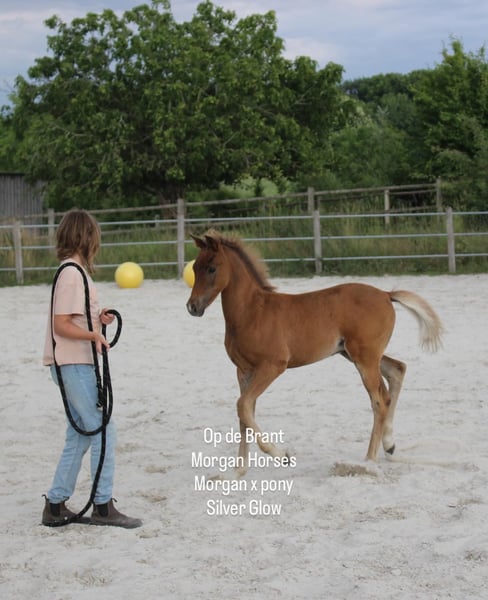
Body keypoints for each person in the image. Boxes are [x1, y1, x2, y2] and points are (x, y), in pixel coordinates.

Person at [42, 208, 142, 529]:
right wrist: (93, 335)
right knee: (102, 429)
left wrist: (98, 319)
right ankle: (102, 505)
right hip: (73, 362)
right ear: (86, 238)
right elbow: (61, 324)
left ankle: (56, 504)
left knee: (80, 435)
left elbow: (73, 317)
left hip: (72, 362)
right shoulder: (72, 273)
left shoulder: (72, 272)